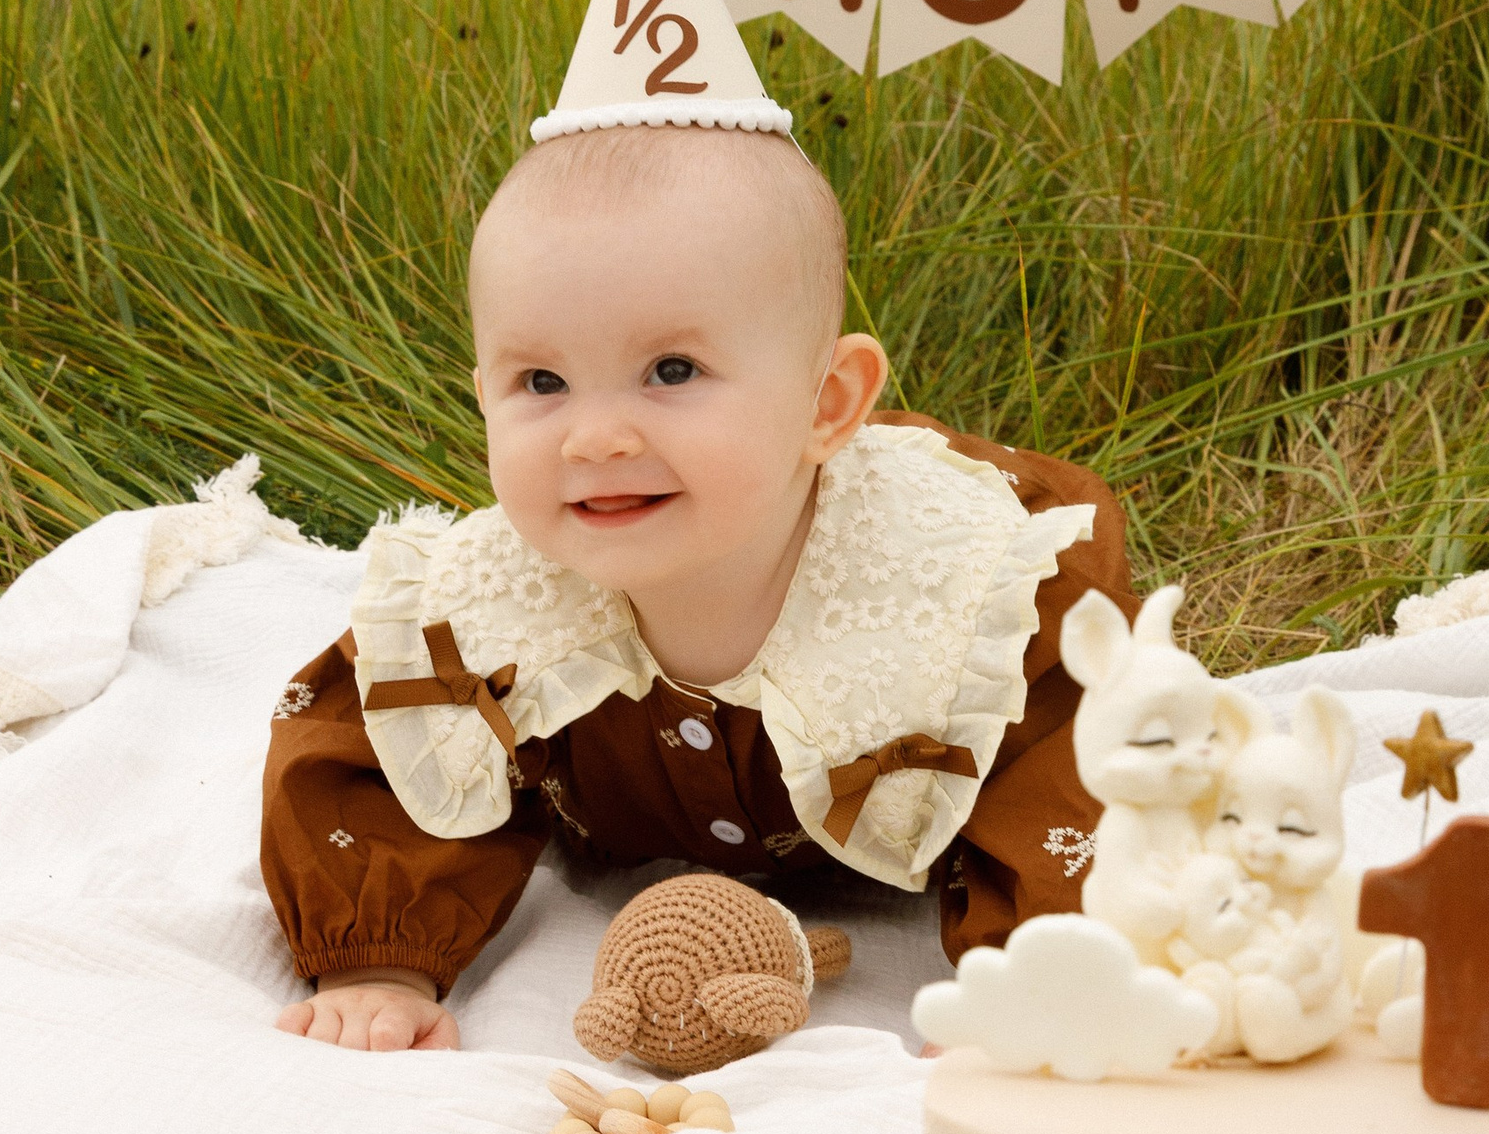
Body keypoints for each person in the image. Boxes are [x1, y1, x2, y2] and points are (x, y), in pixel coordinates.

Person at [263, 120, 1131, 1048]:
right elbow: (372, 751)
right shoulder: (485, 611)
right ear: (483, 391)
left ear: (826, 401)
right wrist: (380, 954)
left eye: (671, 370)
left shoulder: (952, 592)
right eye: (542, 380)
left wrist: (1041, 966)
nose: (593, 437)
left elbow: (1071, 758)